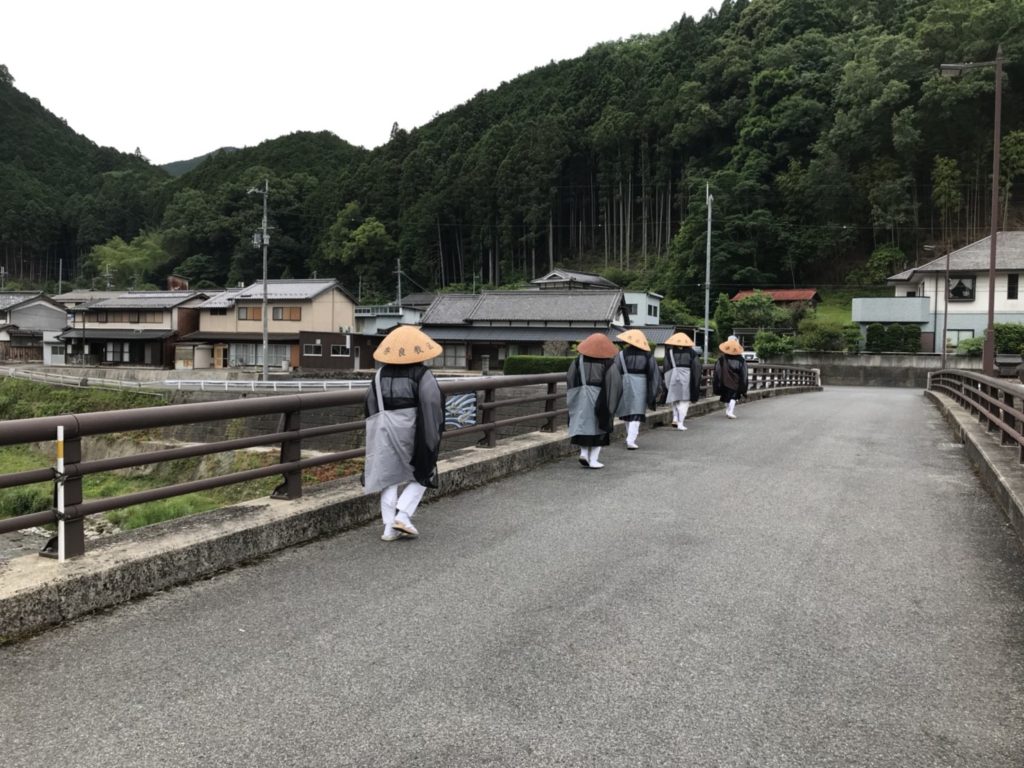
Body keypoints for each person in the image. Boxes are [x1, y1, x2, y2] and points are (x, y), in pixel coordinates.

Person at [363, 325, 445, 541]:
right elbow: (432, 406)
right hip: (412, 431)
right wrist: (431, 439)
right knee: (424, 471)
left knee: (388, 477)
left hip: (383, 431)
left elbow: (370, 406)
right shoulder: (422, 375)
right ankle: (403, 515)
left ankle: (388, 528)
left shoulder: (379, 375)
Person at [566, 332, 622, 469]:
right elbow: (614, 383)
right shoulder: (608, 363)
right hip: (600, 396)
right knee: (599, 425)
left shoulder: (578, 361)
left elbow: (570, 379)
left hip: (581, 396)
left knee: (582, 424)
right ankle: (594, 459)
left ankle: (583, 453)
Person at [614, 329, 661, 449]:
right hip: (641, 384)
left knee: (627, 410)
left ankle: (629, 437)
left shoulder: (621, 354)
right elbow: (653, 372)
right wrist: (653, 388)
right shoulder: (647, 355)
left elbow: (615, 370)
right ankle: (631, 439)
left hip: (625, 383)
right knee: (637, 411)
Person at [662, 332, 702, 430]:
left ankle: (675, 417)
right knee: (684, 400)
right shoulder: (691, 353)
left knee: (675, 398)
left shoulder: (670, 352)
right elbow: (697, 367)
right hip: (686, 377)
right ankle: (680, 423)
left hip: (673, 376)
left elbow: (666, 367)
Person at [712, 338, 748, 419]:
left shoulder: (721, 359)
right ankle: (730, 412)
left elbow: (717, 370)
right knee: (733, 396)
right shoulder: (741, 360)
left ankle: (728, 411)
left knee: (726, 396)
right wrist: (743, 382)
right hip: (736, 381)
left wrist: (718, 380)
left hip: (724, 380)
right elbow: (744, 372)